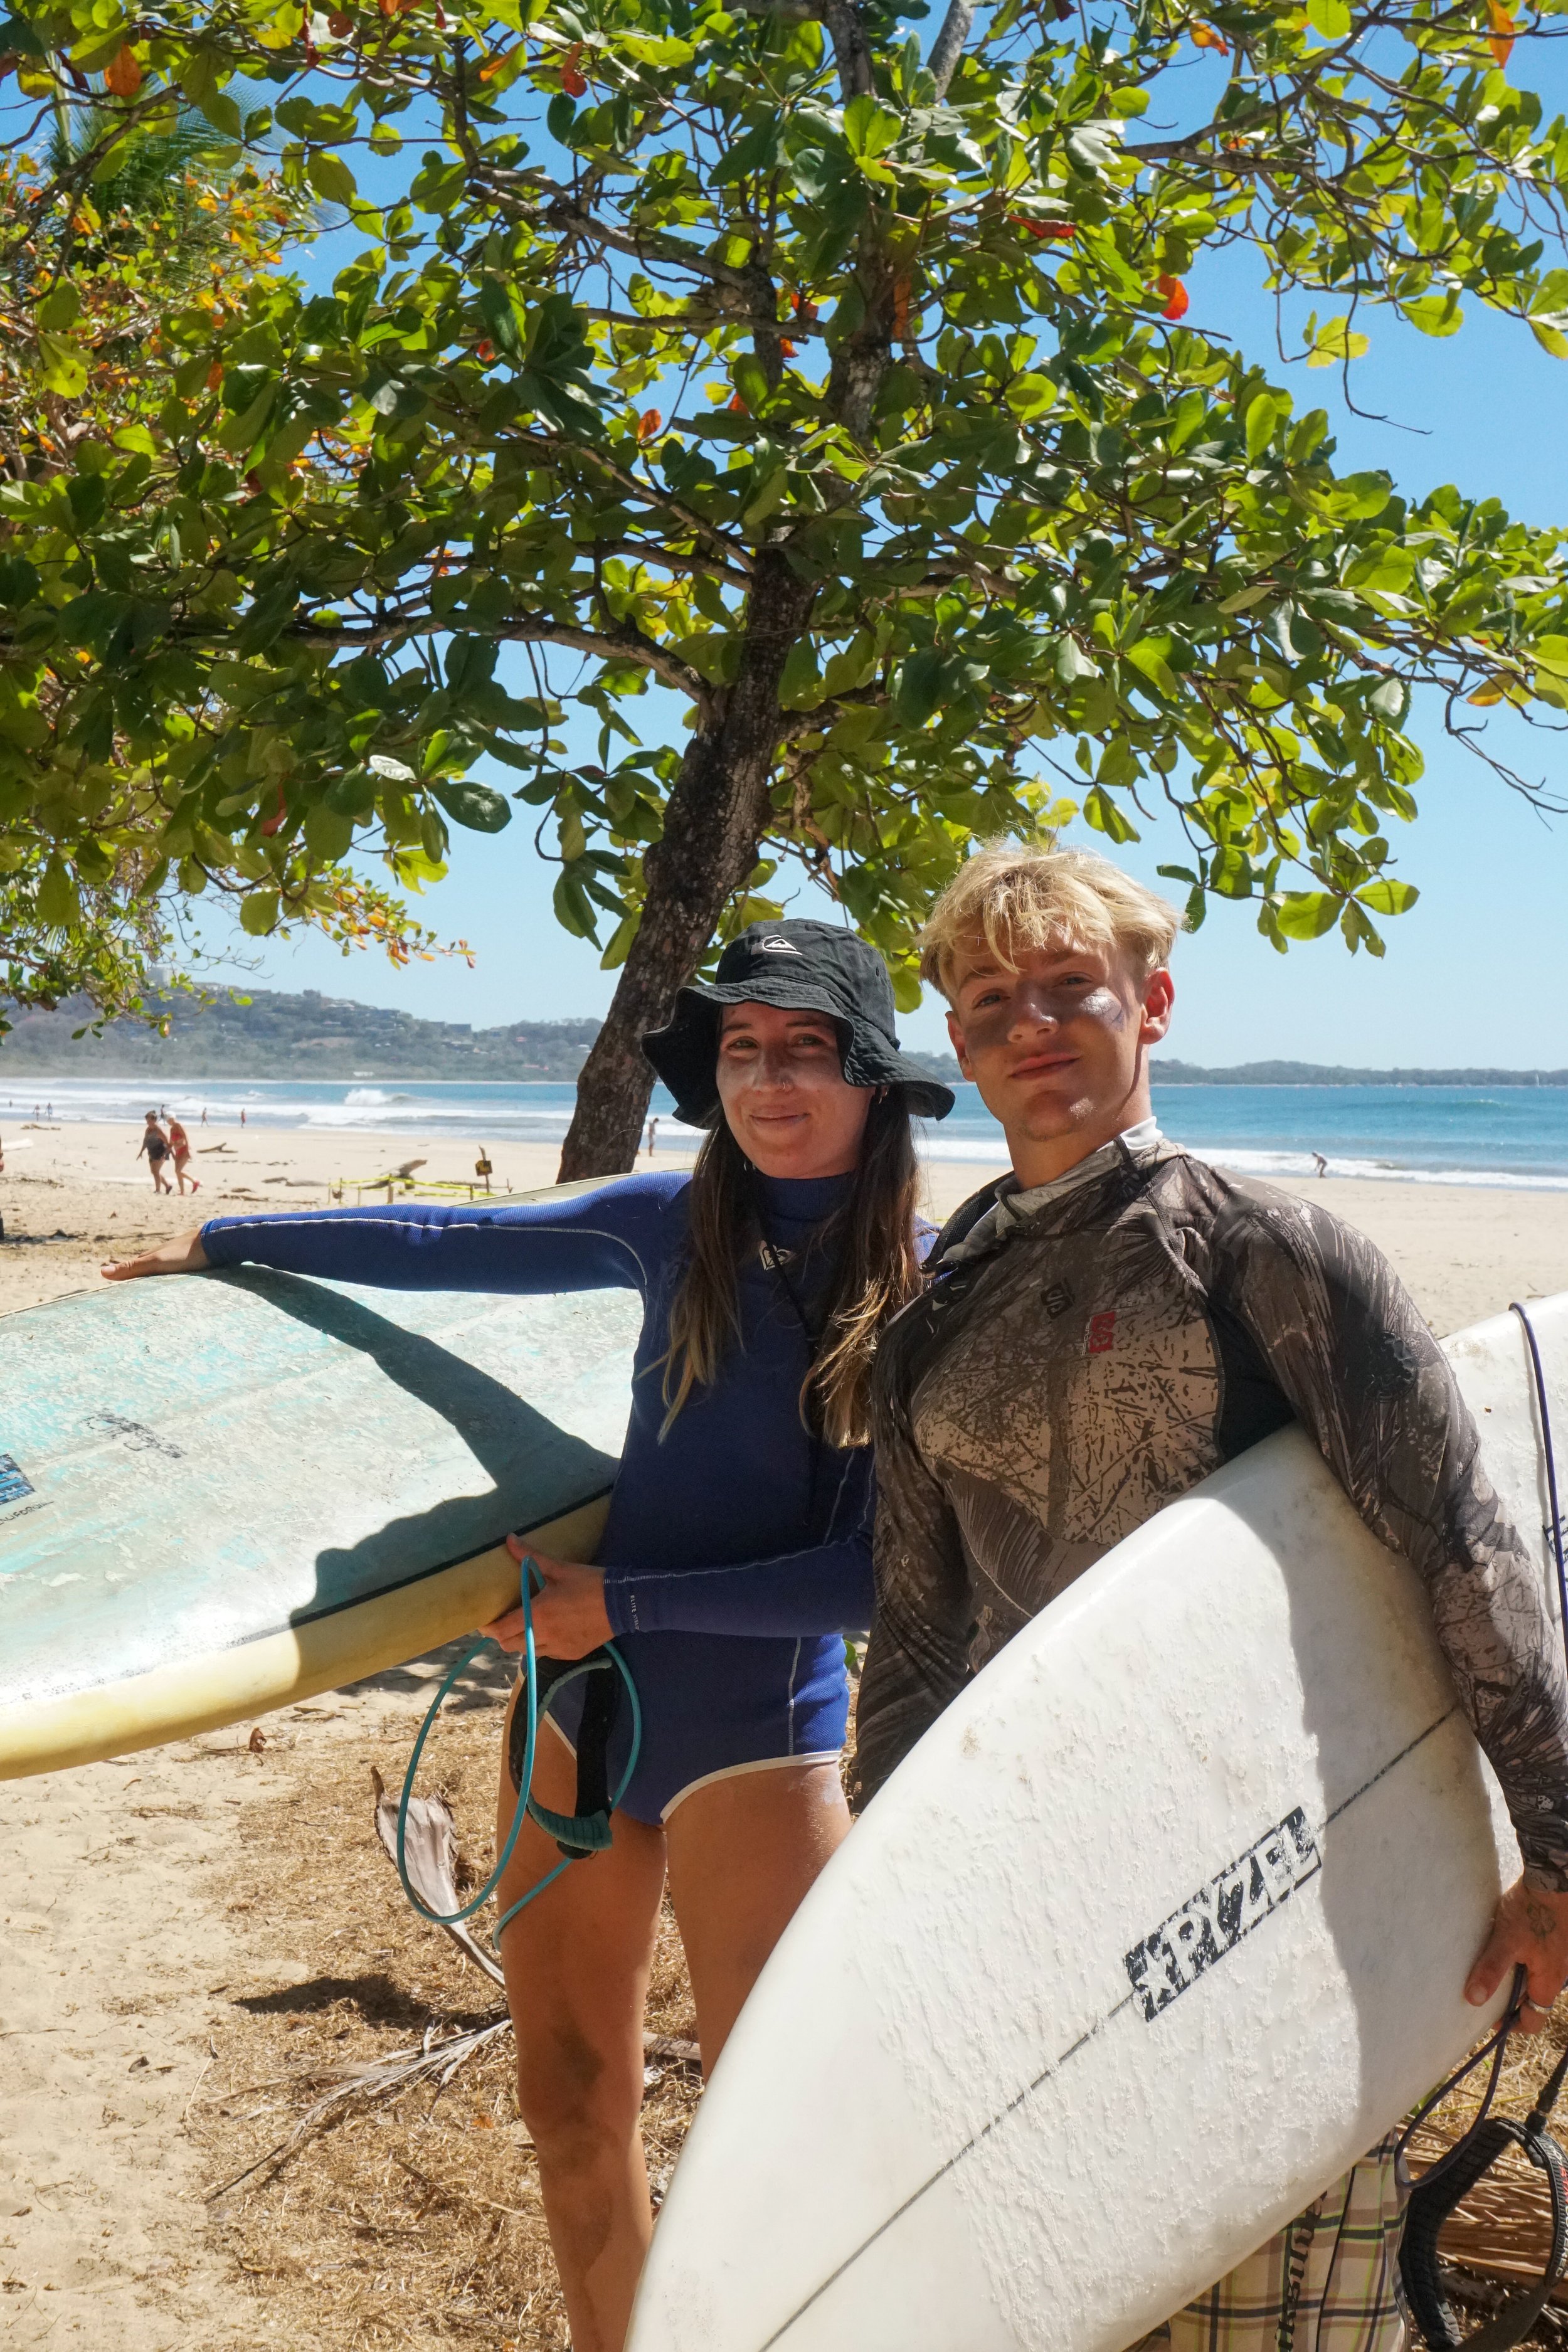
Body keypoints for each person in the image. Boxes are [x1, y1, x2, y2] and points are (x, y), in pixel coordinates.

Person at [102, 919, 953, 2352]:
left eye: (806, 1048)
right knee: (567, 2106)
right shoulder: (668, 1226)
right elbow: (449, 1242)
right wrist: (229, 1242)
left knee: (783, 2153)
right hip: (577, 1709)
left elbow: (872, 1578)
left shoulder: (921, 1284)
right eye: (743, 1049)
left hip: (759, 1738)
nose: (769, 1079)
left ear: (871, 1076)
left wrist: (619, 1601)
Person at [852, 842, 1568, 2352]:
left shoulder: (1257, 1248)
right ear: (959, 1045)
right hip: (1044, 1881)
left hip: (1274, 1873)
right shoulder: (936, 1309)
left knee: (1291, 2301)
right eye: (990, 1002)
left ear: (1153, 1003)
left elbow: (1462, 1543)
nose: (1031, 1025)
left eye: (1070, 986)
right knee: (1093, 2282)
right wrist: (882, 1915)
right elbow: (913, 1637)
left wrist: (1557, 1853)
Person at [136, 1111, 172, 1194]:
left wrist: (165, 1154)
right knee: (154, 1171)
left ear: (154, 1120)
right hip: (152, 1152)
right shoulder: (148, 1129)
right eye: (147, 1119)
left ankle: (158, 1190)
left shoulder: (159, 1130)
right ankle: (168, 1186)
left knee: (155, 1171)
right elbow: (145, 1141)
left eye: (149, 1120)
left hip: (161, 1152)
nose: (147, 1121)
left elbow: (168, 1144)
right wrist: (141, 1152)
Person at [166, 1115, 199, 1195]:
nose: (168, 1122)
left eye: (168, 1120)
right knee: (177, 1172)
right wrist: (170, 1152)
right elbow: (171, 1142)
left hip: (184, 1150)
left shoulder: (179, 1125)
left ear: (172, 1118)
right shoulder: (172, 1129)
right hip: (177, 1152)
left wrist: (188, 1149)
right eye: (167, 1121)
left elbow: (185, 1136)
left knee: (178, 1171)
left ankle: (194, 1182)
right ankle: (182, 1191)